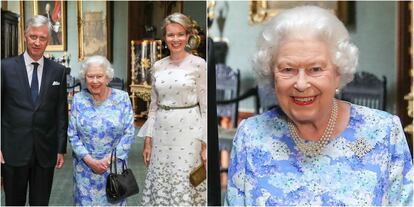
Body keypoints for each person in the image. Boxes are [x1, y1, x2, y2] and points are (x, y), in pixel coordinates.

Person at [225, 6, 413, 206]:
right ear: (272, 76)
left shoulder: (384, 132)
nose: (301, 84)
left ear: (338, 73)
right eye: (288, 69)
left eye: (315, 69)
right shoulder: (251, 136)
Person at [138, 12, 207, 206]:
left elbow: (206, 106)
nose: (175, 39)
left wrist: (205, 144)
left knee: (184, 180)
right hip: (162, 132)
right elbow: (153, 107)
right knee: (162, 180)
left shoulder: (199, 64)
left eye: (180, 34)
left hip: (189, 132)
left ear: (187, 36)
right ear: (165, 37)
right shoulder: (158, 66)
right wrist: (148, 141)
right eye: (170, 34)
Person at [1, 15, 67, 205]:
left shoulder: (58, 71)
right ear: (25, 36)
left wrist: (60, 148)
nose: (37, 42)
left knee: (40, 202)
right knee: (14, 202)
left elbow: (60, 113)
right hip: (12, 150)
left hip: (45, 152)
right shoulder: (4, 68)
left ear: (48, 40)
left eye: (42, 38)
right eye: (33, 36)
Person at [68, 55, 135, 205]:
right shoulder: (78, 99)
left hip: (114, 168)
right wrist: (90, 161)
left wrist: (108, 160)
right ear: (85, 77)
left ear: (107, 77)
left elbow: (129, 133)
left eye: (99, 76)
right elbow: (72, 134)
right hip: (85, 168)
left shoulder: (122, 98)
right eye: (90, 76)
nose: (95, 81)